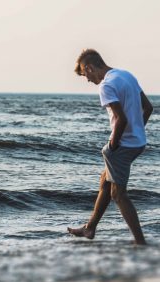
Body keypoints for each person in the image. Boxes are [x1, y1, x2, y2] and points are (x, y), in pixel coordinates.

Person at [67, 49, 153, 245]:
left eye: (84, 74)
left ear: (89, 67)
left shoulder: (106, 85)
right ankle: (90, 228)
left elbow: (121, 119)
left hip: (123, 145)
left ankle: (140, 243)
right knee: (105, 181)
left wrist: (114, 145)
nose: (87, 79)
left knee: (118, 194)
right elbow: (148, 107)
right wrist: (137, 130)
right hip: (137, 142)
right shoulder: (126, 75)